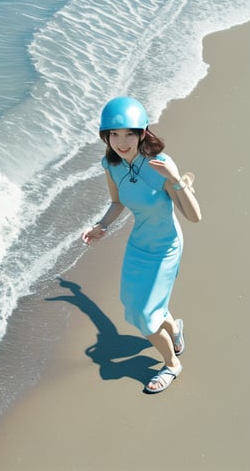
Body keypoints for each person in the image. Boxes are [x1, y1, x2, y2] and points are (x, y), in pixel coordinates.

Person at [82, 96, 202, 393]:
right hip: (139, 245)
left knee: (146, 317)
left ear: (142, 133)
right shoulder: (111, 164)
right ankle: (174, 330)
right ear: (106, 136)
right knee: (133, 306)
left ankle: (172, 364)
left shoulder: (160, 165)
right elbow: (117, 201)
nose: (122, 142)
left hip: (165, 247)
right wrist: (102, 226)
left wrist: (175, 179)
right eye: (114, 135)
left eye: (129, 134)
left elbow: (194, 216)